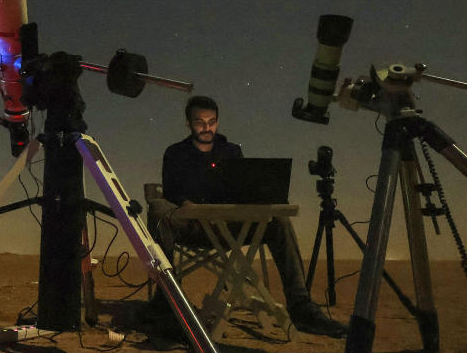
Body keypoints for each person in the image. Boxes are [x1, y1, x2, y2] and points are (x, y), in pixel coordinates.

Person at [147, 95, 347, 338]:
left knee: (279, 221)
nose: (206, 127)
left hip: (229, 227)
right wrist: (187, 204)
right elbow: (172, 192)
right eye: (200, 122)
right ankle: (168, 299)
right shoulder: (175, 153)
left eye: (211, 121)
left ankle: (301, 307)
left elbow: (244, 188)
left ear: (218, 122)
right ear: (188, 123)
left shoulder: (231, 151)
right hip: (193, 227)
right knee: (157, 210)